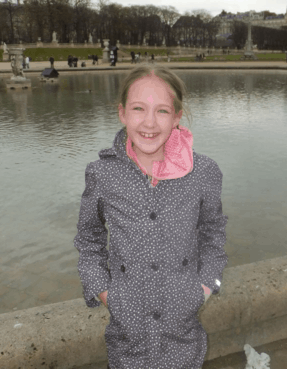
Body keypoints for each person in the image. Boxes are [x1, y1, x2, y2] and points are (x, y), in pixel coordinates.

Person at [74, 65, 227, 369]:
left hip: (184, 340)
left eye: (161, 111)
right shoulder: (102, 174)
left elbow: (214, 233)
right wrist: (108, 295)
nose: (149, 122)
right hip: (126, 344)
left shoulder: (205, 173)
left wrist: (206, 287)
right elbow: (89, 240)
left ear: (176, 117)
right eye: (138, 109)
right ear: (122, 113)